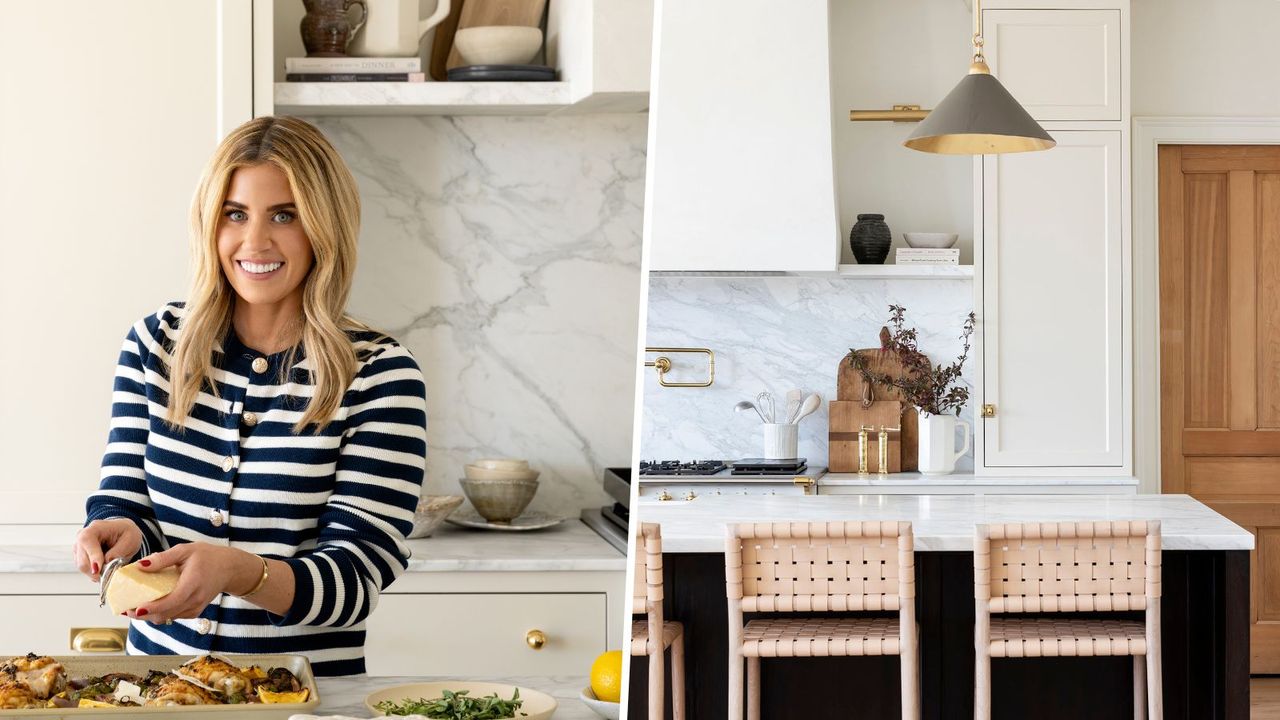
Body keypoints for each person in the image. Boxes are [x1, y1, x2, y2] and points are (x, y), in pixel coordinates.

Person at [72, 115, 427, 676]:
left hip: (304, 700)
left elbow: (356, 580)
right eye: (235, 214)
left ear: (323, 227)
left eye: (284, 215)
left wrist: (241, 572)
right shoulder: (155, 345)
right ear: (210, 225)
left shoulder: (380, 376)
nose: (254, 241)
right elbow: (126, 493)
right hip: (160, 689)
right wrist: (118, 525)